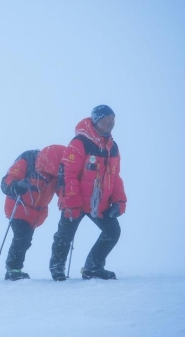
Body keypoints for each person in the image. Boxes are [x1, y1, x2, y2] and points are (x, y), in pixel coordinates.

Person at [49, 105, 127, 281]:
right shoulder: (80, 143)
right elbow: (67, 172)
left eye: (113, 118)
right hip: (75, 200)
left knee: (113, 231)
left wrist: (119, 201)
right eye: (107, 118)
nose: (111, 122)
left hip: (99, 202)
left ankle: (93, 268)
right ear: (97, 120)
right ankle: (57, 268)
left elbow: (115, 176)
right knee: (65, 235)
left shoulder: (112, 147)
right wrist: (71, 200)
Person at [0, 145, 66, 281]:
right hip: (18, 206)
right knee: (22, 237)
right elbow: (6, 182)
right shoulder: (27, 161)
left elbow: (60, 191)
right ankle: (13, 269)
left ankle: (14, 268)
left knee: (25, 240)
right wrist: (16, 186)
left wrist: (69, 199)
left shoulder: (56, 171)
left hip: (37, 213)